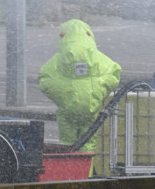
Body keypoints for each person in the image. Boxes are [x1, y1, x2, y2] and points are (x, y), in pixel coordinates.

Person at [39, 19, 121, 152]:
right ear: (89, 35)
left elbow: (45, 79)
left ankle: (69, 171)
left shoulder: (58, 58)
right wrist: (98, 91)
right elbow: (114, 74)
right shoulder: (99, 58)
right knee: (88, 144)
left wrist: (65, 97)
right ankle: (85, 172)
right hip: (92, 110)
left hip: (67, 112)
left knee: (67, 145)